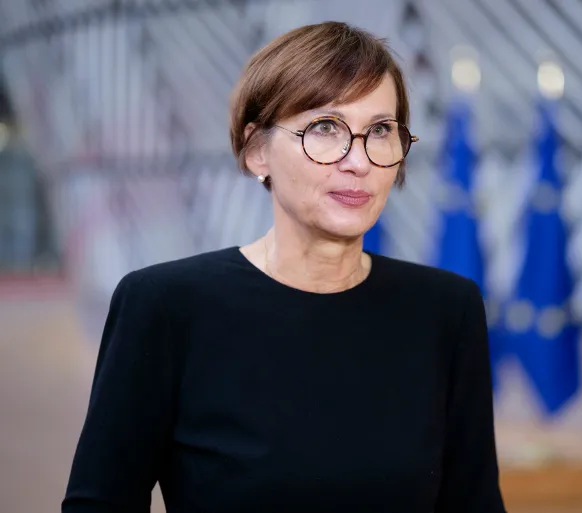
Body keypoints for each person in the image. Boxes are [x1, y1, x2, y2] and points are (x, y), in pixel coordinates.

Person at [62, 21, 506, 513]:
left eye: (380, 130)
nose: (358, 161)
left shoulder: (445, 310)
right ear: (257, 151)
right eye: (325, 127)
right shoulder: (165, 306)